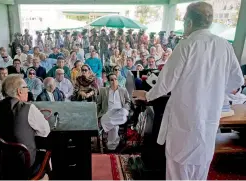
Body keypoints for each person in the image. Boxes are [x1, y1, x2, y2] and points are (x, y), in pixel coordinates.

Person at [132, 2, 244, 180]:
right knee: (200, 170)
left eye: (184, 20)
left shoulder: (186, 45)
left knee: (178, 170)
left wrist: (147, 95)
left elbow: (165, 83)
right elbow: (237, 80)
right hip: (209, 121)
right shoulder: (225, 46)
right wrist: (214, 90)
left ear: (190, 22)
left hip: (184, 121)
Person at [0, 74, 50, 178]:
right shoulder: (29, 108)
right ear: (19, 91)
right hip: (23, 165)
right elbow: (45, 131)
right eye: (26, 87)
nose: (28, 90)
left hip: (1, 163)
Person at [97, 73, 130, 150]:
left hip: (120, 112)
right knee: (114, 127)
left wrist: (125, 108)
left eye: (115, 79)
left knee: (123, 114)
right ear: (109, 82)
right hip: (108, 113)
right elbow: (98, 104)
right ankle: (112, 147)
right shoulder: (103, 90)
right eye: (112, 80)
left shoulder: (123, 90)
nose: (114, 81)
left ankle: (103, 126)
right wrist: (98, 115)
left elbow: (128, 102)